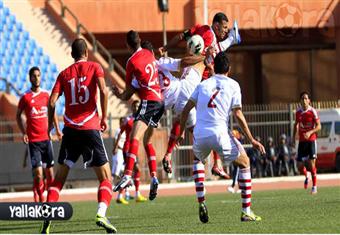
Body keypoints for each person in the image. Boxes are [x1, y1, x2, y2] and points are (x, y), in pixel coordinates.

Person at [177, 51, 265, 223]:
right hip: (220, 134)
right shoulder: (233, 85)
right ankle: (246, 211)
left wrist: (180, 132)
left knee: (198, 159)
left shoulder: (202, 85)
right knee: (245, 162)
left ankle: (201, 200)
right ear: (229, 69)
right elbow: (238, 114)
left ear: (214, 67)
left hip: (200, 134)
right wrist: (252, 139)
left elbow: (186, 109)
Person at [41, 38, 117, 233]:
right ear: (86, 53)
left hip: (70, 131)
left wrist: (51, 126)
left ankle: (48, 214)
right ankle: (101, 213)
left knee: (59, 179)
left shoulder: (64, 74)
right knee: (106, 178)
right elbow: (103, 90)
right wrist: (104, 117)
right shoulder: (95, 67)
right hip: (90, 128)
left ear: (71, 54)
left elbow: (51, 102)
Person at [160, 12, 241, 178]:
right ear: (216, 26)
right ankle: (213, 162)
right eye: (224, 28)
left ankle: (174, 155)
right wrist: (230, 40)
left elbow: (181, 37)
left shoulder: (200, 28)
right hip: (198, 83)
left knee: (189, 122)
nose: (224, 30)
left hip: (188, 79)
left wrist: (165, 48)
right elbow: (204, 56)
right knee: (211, 123)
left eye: (227, 29)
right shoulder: (210, 39)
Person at [112, 30, 165, 201]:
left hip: (149, 102)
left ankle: (127, 175)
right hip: (161, 103)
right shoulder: (149, 53)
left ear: (127, 45)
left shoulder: (131, 62)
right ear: (140, 41)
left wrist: (118, 94)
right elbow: (140, 80)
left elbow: (128, 94)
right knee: (147, 141)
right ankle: (154, 176)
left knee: (134, 136)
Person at [16, 66, 62, 203]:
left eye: (38, 75)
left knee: (50, 175)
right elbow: (18, 116)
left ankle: (50, 202)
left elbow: (52, 113)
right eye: (34, 76)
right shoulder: (25, 97)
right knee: (38, 175)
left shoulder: (46, 95)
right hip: (33, 141)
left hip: (46, 140)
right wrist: (23, 132)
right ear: (30, 78)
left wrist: (58, 130)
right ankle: (41, 200)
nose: (37, 78)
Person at [113, 100, 147, 203]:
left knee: (131, 171)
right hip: (128, 148)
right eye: (135, 106)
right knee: (134, 170)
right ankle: (132, 194)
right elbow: (120, 133)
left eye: (138, 106)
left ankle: (125, 195)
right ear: (132, 108)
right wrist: (115, 147)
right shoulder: (129, 119)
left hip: (133, 148)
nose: (136, 108)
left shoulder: (140, 119)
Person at [293, 91, 321, 194]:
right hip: (302, 142)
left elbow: (319, 126)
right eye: (302, 99)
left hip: (311, 141)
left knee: (311, 164)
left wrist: (310, 132)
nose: (304, 101)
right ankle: (306, 175)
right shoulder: (298, 112)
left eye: (306, 99)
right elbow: (296, 124)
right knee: (299, 166)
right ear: (300, 101)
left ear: (309, 100)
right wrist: (293, 138)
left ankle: (314, 187)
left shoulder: (312, 111)